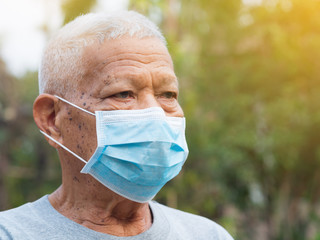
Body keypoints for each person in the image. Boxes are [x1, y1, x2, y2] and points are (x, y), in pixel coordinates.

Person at [0, 11, 234, 240]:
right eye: (123, 93)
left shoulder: (208, 235)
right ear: (52, 120)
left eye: (168, 94)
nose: (156, 114)